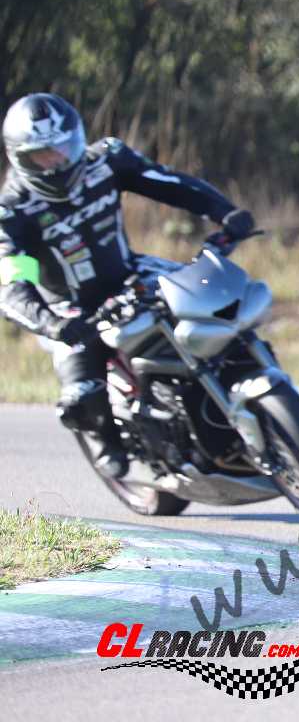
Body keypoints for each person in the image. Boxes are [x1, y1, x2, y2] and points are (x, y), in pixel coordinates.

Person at [0, 93, 255, 479]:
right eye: (43, 156)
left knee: (213, 296)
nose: (58, 161)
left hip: (128, 272)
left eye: (64, 148)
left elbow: (170, 183)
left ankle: (245, 384)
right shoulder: (13, 211)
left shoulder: (106, 160)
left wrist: (224, 212)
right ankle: (105, 438)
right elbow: (11, 283)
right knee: (81, 397)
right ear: (21, 158)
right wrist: (50, 323)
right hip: (68, 308)